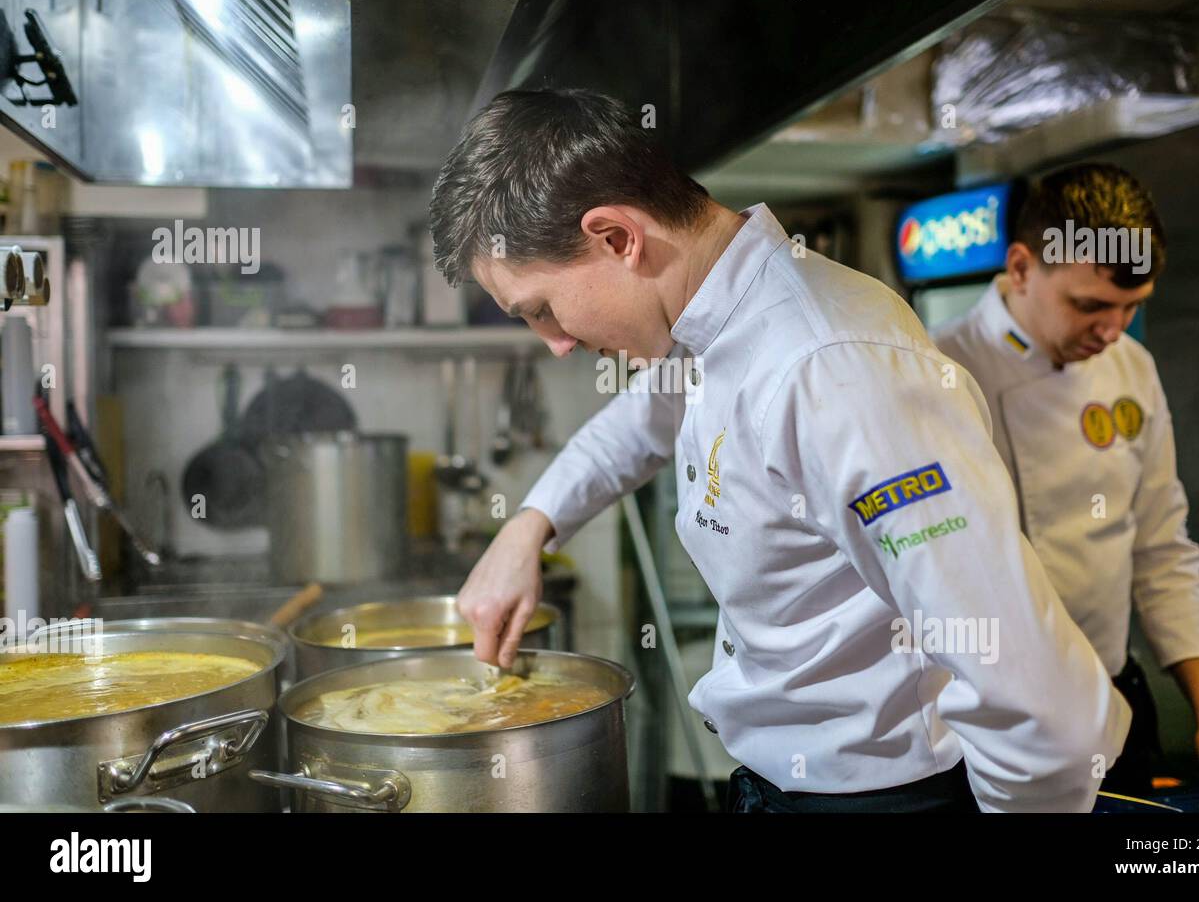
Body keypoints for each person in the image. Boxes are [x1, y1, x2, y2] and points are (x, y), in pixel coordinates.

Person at [429, 88, 1130, 812]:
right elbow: (635, 425)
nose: (557, 343)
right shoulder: (713, 325)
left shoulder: (833, 365)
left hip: (882, 801)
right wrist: (528, 526)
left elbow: (1039, 700)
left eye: (541, 308)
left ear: (616, 238)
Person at [932, 163, 1199, 811]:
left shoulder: (1131, 368)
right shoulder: (940, 370)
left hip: (1116, 699)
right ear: (1022, 267)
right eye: (1090, 306)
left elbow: (1163, 550)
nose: (1112, 332)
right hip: (984, 718)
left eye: (1131, 308)